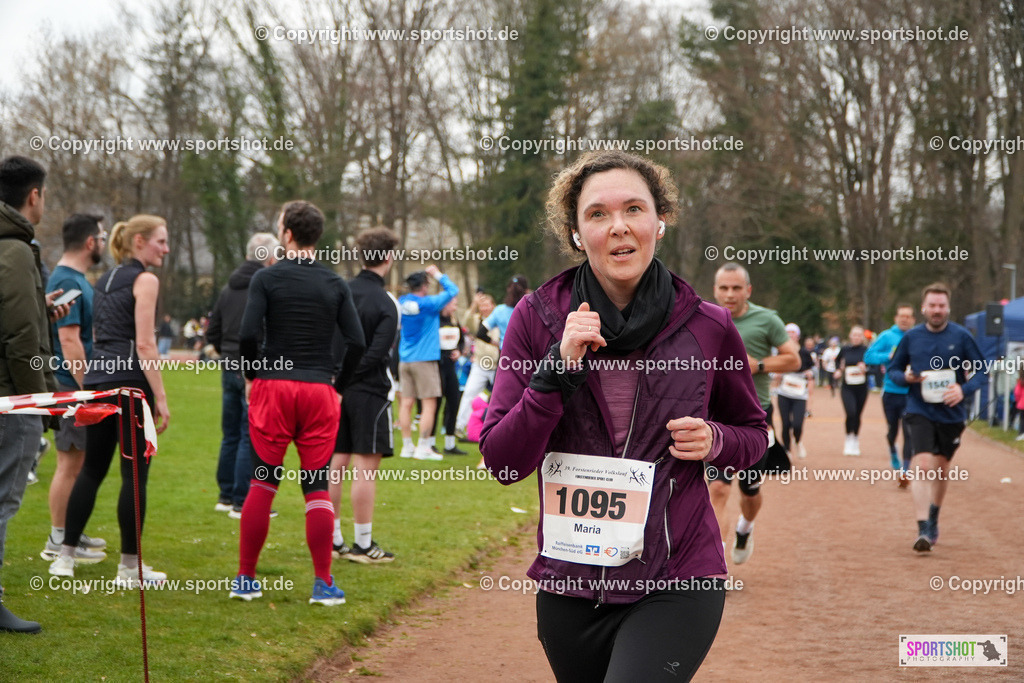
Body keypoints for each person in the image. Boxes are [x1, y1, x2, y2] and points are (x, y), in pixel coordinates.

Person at [480, 151, 767, 681]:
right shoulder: (537, 318)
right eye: (597, 214)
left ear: (660, 221)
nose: (619, 227)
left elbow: (755, 435)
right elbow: (502, 461)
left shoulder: (708, 325)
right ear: (574, 232)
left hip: (677, 578)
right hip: (571, 582)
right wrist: (556, 369)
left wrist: (715, 440)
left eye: (634, 208)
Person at [230, 200, 364, 605]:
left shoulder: (267, 278)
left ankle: (246, 579)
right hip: (319, 390)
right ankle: (323, 583)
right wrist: (338, 385)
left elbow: (248, 335)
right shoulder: (336, 283)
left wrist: (253, 376)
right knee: (316, 485)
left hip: (274, 386)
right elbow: (357, 341)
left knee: (263, 480)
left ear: (286, 233)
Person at [49, 214, 172, 587]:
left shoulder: (102, 280)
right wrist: (162, 398)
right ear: (138, 242)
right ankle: (129, 568)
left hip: (101, 381)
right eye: (160, 242)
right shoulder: (145, 279)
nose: (165, 249)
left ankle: (65, 558)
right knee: (134, 475)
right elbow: (146, 343)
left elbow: (100, 336)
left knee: (92, 469)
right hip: (131, 383)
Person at [0, 155, 67, 634]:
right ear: (34, 195)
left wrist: (39, 307)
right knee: (3, 500)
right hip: (10, 401)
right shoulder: (17, 250)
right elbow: (22, 339)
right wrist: (41, 403)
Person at [709, 262, 799, 565]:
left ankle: (745, 528)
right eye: (724, 288)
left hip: (755, 416)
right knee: (718, 488)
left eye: (736, 288)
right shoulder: (706, 319)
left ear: (748, 290)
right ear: (715, 290)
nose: (730, 294)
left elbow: (793, 360)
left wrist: (758, 365)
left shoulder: (767, 320)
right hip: (717, 417)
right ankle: (714, 564)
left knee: (749, 491)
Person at [888, 283, 986, 552]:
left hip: (951, 414)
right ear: (923, 308)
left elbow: (982, 372)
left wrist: (962, 389)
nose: (937, 310)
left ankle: (933, 516)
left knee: (941, 468)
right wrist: (905, 377)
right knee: (921, 464)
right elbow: (893, 370)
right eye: (932, 305)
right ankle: (922, 529)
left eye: (941, 306)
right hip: (919, 409)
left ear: (948, 308)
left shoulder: (962, 336)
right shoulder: (912, 337)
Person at [40, 214, 109, 565]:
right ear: (89, 242)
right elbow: (69, 341)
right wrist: (88, 390)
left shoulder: (75, 279)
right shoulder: (67, 281)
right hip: (71, 387)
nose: (105, 242)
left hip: (73, 386)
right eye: (102, 236)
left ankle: (71, 530)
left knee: (77, 462)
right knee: (69, 463)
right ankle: (58, 537)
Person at [329, 226, 400, 564]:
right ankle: (362, 543)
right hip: (369, 390)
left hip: (335, 389)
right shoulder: (387, 302)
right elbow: (378, 352)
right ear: (388, 257)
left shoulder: (339, 291)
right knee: (363, 469)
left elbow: (331, 340)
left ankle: (333, 539)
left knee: (336, 463)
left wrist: (337, 379)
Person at [207, 233, 279, 517]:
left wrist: (226, 348)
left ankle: (225, 495)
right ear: (269, 257)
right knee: (249, 433)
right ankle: (241, 498)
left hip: (228, 364)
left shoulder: (228, 289)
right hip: (253, 364)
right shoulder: (265, 286)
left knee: (230, 433)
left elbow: (212, 331)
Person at [397, 266, 459, 460]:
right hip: (424, 360)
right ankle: (423, 446)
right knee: (429, 403)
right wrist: (438, 274)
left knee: (406, 403)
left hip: (405, 359)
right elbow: (453, 291)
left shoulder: (403, 301)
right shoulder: (430, 303)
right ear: (424, 285)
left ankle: (407, 446)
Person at [864, 304, 916, 483]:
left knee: (909, 432)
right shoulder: (887, 336)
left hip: (911, 393)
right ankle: (893, 449)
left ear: (913, 320)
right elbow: (868, 356)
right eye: (902, 316)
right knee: (893, 429)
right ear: (896, 318)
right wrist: (888, 356)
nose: (904, 319)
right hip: (891, 392)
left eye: (908, 316)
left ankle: (905, 471)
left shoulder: (916, 336)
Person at [454, 291, 497, 438]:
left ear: (493, 305)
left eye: (487, 304)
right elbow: (465, 320)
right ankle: (460, 426)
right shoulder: (477, 320)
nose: (485, 307)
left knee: (499, 396)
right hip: (480, 364)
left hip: (499, 365)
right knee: (469, 393)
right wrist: (474, 304)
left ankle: (497, 427)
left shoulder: (499, 320)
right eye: (482, 305)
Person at [776, 323, 814, 459]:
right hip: (784, 393)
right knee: (785, 424)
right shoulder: (781, 353)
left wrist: (809, 373)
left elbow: (812, 371)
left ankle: (798, 441)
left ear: (798, 336)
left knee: (797, 424)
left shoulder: (805, 353)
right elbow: (772, 371)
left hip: (799, 394)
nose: (791, 335)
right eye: (788, 332)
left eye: (793, 332)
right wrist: (776, 374)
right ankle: (787, 450)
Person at [436, 298, 466, 455]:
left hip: (451, 367)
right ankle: (430, 443)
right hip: (437, 366)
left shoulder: (454, 321)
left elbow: (461, 340)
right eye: (454, 304)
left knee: (454, 403)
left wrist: (458, 351)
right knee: (435, 405)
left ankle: (449, 445)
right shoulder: (435, 320)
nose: (455, 307)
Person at [834, 326, 869, 456]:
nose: (856, 337)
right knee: (851, 412)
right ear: (850, 336)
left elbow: (874, 368)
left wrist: (866, 369)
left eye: (859, 335)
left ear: (862, 337)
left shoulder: (866, 350)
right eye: (854, 335)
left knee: (858, 414)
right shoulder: (845, 349)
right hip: (847, 386)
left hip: (862, 387)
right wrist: (838, 370)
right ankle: (848, 438)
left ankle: (855, 439)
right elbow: (837, 361)